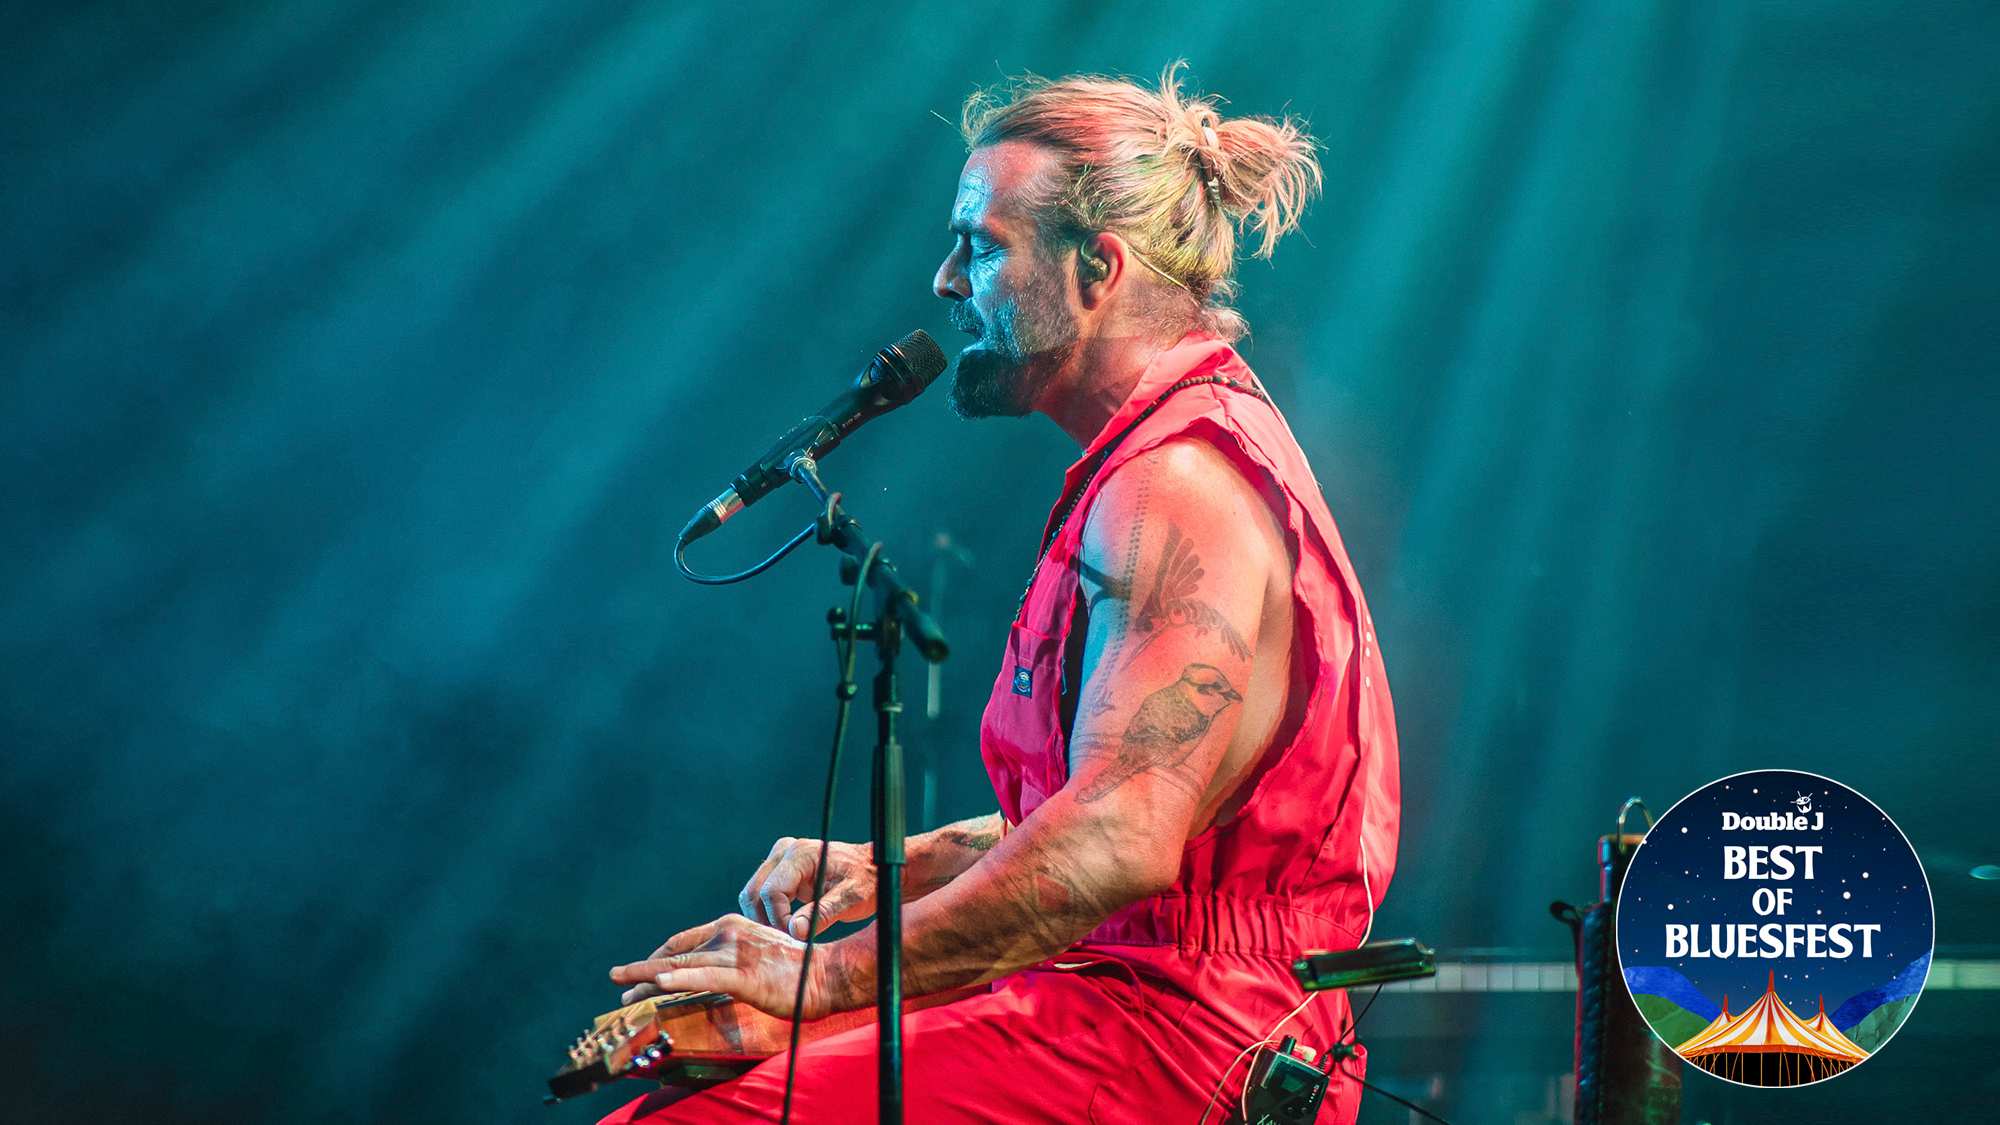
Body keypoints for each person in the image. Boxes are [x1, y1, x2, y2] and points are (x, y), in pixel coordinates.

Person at [604, 62, 1400, 1124]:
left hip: (1179, 1039)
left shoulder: (1174, 486)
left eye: (978, 245)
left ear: (1096, 268)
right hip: (1134, 1001)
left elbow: (1117, 839)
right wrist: (893, 866)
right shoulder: (1160, 458)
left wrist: (820, 979)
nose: (944, 281)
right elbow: (1132, 810)